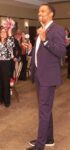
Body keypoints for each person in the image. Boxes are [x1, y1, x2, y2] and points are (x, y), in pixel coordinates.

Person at [26, 4, 66, 150]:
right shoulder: (41, 30)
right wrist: (32, 50)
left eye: (42, 11)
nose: (39, 14)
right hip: (39, 75)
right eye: (38, 12)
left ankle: (40, 145)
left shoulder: (57, 30)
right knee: (45, 109)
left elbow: (62, 51)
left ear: (51, 14)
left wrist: (45, 40)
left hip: (48, 77)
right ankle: (48, 139)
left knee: (43, 110)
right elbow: (40, 52)